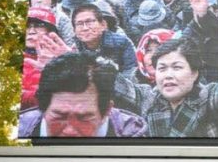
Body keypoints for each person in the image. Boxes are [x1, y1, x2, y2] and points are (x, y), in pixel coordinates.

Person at [113, 37, 218, 137]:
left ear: (194, 73)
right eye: (162, 68)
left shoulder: (207, 96)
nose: (168, 75)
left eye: (177, 67)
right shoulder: (147, 97)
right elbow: (121, 86)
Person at [18, 52, 147, 137]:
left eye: (84, 118)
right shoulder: (16, 130)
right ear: (42, 108)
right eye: (60, 116)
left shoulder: (132, 135)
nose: (70, 131)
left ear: (107, 110)